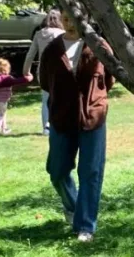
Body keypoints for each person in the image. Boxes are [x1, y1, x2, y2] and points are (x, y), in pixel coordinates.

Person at [40, 13, 114, 242]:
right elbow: (44, 81)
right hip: (62, 117)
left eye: (75, 17)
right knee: (57, 170)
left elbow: (110, 79)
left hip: (92, 116)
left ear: (86, 18)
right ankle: (73, 206)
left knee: (91, 171)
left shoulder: (99, 46)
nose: (70, 23)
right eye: (66, 18)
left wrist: (95, 101)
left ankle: (85, 226)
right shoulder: (53, 49)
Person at [23, 9, 65, 134]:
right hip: (59, 69)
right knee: (60, 98)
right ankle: (59, 124)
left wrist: (26, 71)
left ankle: (46, 127)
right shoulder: (62, 33)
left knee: (45, 98)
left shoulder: (38, 34)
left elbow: (30, 55)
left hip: (42, 70)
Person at [0, 57, 29, 135]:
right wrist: (27, 79)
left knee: (2, 113)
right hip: (2, 100)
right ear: (6, 68)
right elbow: (17, 81)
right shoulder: (7, 78)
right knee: (1, 114)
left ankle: (4, 129)